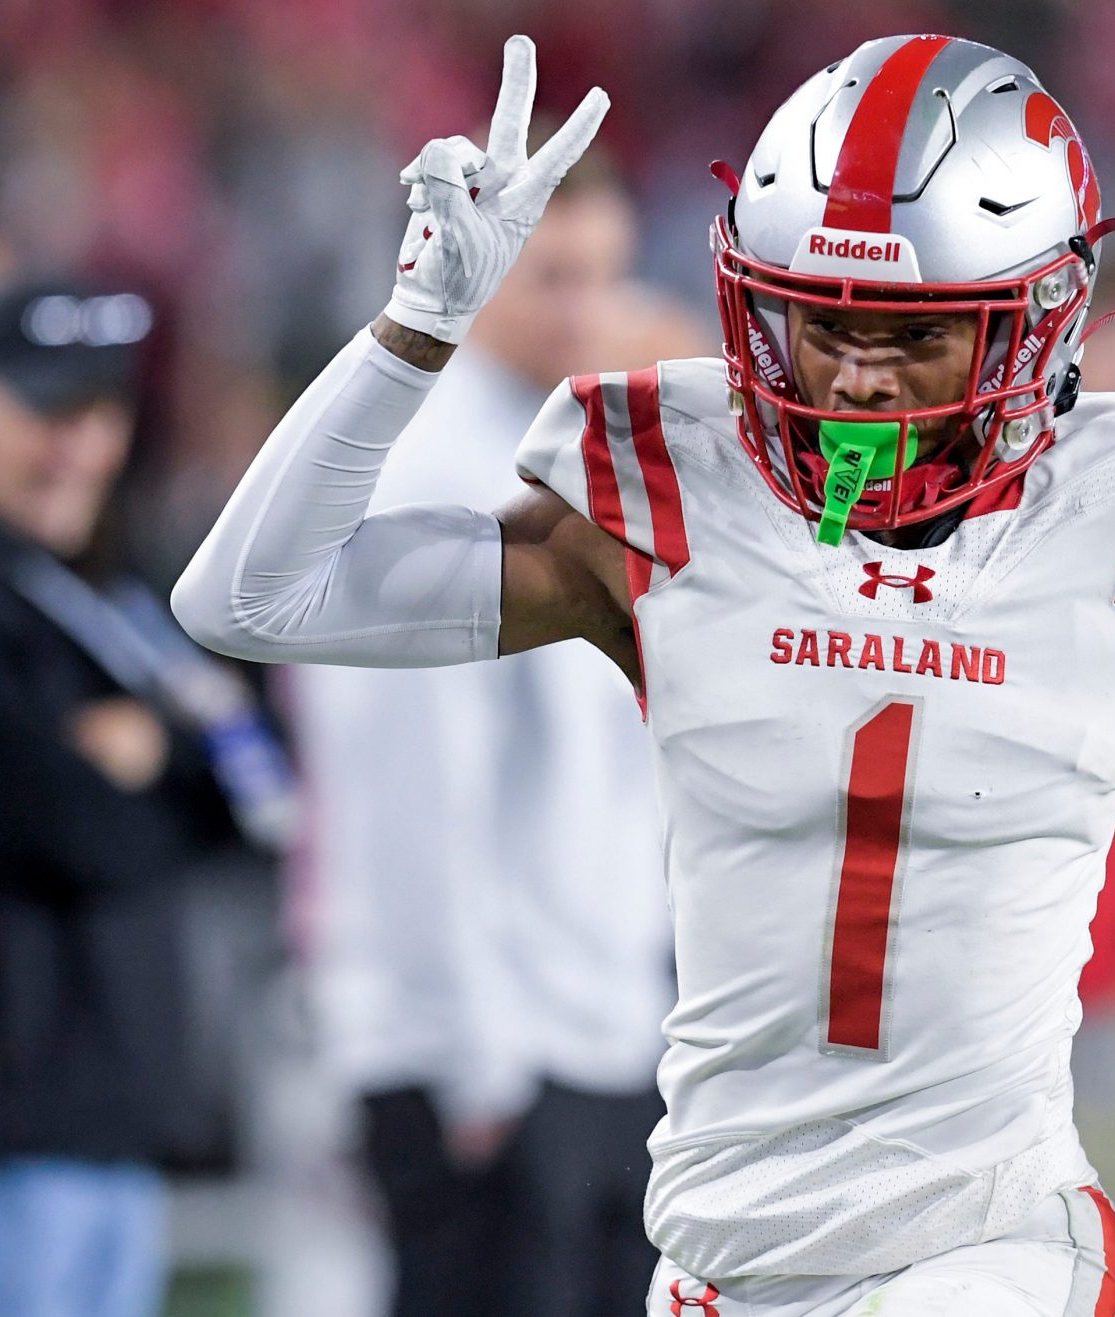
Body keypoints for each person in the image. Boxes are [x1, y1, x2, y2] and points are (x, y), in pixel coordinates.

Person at [175, 37, 1115, 1315]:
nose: (857, 378)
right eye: (823, 320)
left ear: (1044, 319)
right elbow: (249, 595)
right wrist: (417, 328)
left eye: (917, 333)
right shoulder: (667, 503)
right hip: (719, 1254)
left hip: (989, 1255)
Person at [289, 158, 691, 1317]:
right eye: (551, 276)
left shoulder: (561, 460)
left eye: (604, 276)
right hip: (487, 1054)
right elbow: (411, 800)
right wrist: (478, 1057)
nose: (585, 309)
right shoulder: (415, 472)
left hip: (595, 1029)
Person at [0, 277, 285, 1316]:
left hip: (115, 1111)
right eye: (44, 411)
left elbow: (249, 796)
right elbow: (64, 822)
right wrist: (166, 762)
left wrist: (152, 756)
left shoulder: (105, 593)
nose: (76, 447)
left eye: (100, 413)